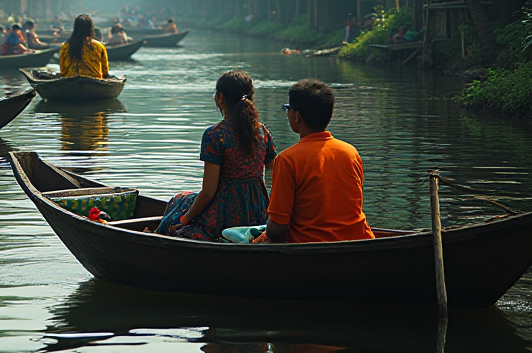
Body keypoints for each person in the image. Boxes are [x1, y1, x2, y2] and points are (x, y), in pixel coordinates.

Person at [156, 71, 276, 240]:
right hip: (257, 211)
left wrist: (186, 219)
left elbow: (208, 193)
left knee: (178, 203)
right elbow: (275, 171)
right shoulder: (261, 131)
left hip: (224, 214)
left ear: (220, 98)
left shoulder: (215, 135)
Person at [254, 79, 375, 244]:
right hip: (359, 241)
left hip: (311, 246)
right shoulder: (350, 152)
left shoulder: (287, 160)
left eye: (288, 109)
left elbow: (277, 228)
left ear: (297, 116)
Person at [59, 14, 110, 78]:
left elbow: (62, 71)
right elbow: (105, 71)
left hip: (70, 80)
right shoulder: (99, 46)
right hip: (95, 80)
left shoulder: (65, 46)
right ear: (90, 28)